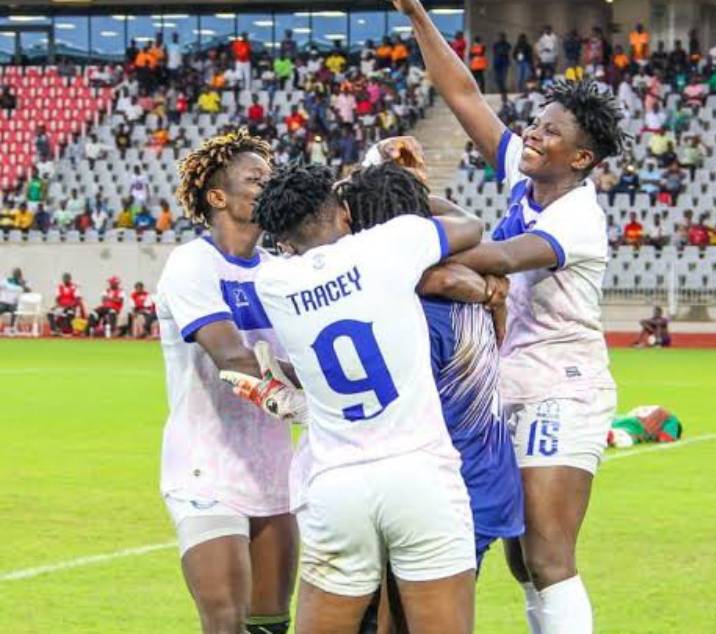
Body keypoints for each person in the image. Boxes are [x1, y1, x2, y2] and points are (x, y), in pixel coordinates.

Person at [391, 4, 626, 633]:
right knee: (523, 560)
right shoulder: (530, 186)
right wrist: (416, 15)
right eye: (535, 124)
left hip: (562, 388)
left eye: (550, 133)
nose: (533, 135)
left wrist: (401, 216)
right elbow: (463, 94)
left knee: (549, 555)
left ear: (580, 159)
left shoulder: (576, 217)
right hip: (512, 380)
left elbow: (492, 256)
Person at [237, 161, 481, 634]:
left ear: (283, 242)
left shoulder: (273, 283)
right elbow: (470, 227)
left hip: (337, 483)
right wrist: (408, 191)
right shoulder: (391, 243)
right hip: (419, 471)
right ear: (344, 211)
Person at [158, 129, 298, 634]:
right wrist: (306, 396)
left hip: (275, 467)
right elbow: (231, 357)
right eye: (255, 178)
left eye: (271, 177)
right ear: (217, 197)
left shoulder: (283, 270)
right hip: (206, 467)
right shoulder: (193, 263)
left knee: (272, 624)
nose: (268, 185)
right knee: (225, 621)